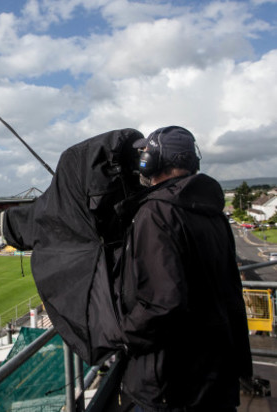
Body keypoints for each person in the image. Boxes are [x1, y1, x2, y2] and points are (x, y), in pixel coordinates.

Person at [114, 126, 252, 411]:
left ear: (154, 162)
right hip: (216, 378)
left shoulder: (156, 212)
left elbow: (163, 303)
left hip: (172, 385)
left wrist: (122, 336)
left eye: (145, 155)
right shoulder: (214, 213)